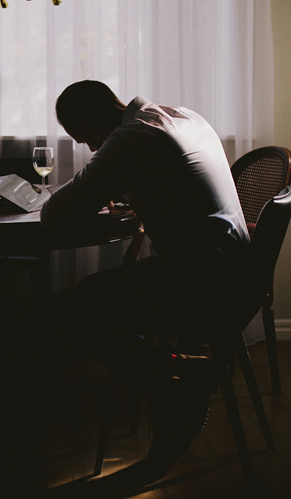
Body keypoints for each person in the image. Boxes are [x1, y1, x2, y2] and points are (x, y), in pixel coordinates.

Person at [39, 80, 251, 486]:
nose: (88, 148)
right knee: (94, 301)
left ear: (91, 124)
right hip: (233, 271)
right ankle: (174, 379)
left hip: (199, 282)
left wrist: (97, 181)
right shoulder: (179, 116)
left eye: (82, 138)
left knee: (74, 310)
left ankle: (170, 389)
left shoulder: (132, 137)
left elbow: (57, 213)